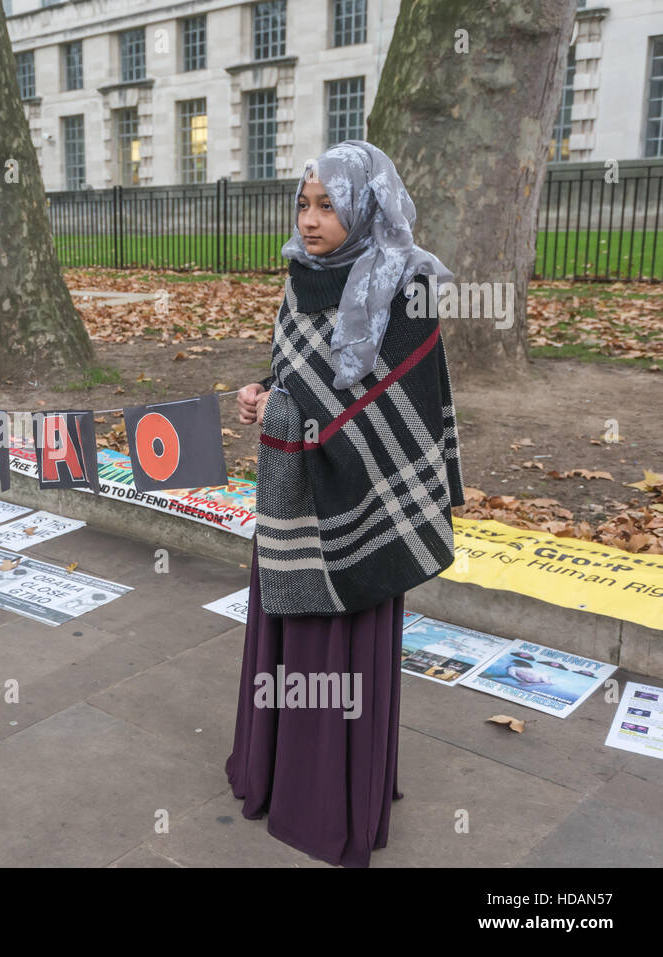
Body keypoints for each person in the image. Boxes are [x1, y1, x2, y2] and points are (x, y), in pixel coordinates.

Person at [226, 141, 465, 867]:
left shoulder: (407, 289)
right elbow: (294, 372)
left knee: (338, 651)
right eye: (304, 203)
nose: (310, 219)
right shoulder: (301, 279)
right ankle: (275, 774)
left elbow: (399, 413)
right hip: (292, 498)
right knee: (288, 646)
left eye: (329, 204)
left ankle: (331, 801)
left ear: (367, 206)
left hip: (361, 507)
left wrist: (288, 410)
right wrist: (260, 396)